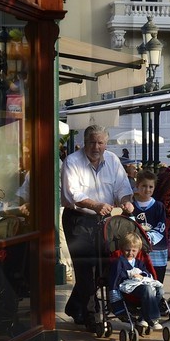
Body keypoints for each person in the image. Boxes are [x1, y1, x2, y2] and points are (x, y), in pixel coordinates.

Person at [61, 125, 136, 327]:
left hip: (105, 221)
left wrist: (126, 202)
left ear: (106, 144)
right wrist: (96, 205)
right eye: (92, 142)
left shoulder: (112, 160)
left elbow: (123, 187)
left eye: (100, 142)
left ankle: (75, 306)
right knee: (85, 267)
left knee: (104, 266)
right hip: (78, 219)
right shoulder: (72, 162)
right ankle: (92, 317)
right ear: (84, 143)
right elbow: (73, 195)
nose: (96, 146)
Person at [108, 225, 165, 333]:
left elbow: (147, 273)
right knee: (147, 289)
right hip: (127, 287)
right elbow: (115, 278)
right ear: (122, 249)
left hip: (139, 284)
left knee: (160, 290)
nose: (130, 253)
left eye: (134, 251)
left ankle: (143, 317)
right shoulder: (119, 262)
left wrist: (142, 275)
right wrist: (129, 274)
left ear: (138, 250)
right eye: (127, 250)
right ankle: (153, 319)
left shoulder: (139, 262)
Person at [130, 169, 168, 272]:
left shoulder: (159, 206)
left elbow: (161, 227)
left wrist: (147, 238)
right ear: (137, 186)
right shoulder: (131, 207)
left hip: (157, 250)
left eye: (150, 187)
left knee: (157, 283)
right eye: (144, 186)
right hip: (137, 250)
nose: (147, 189)